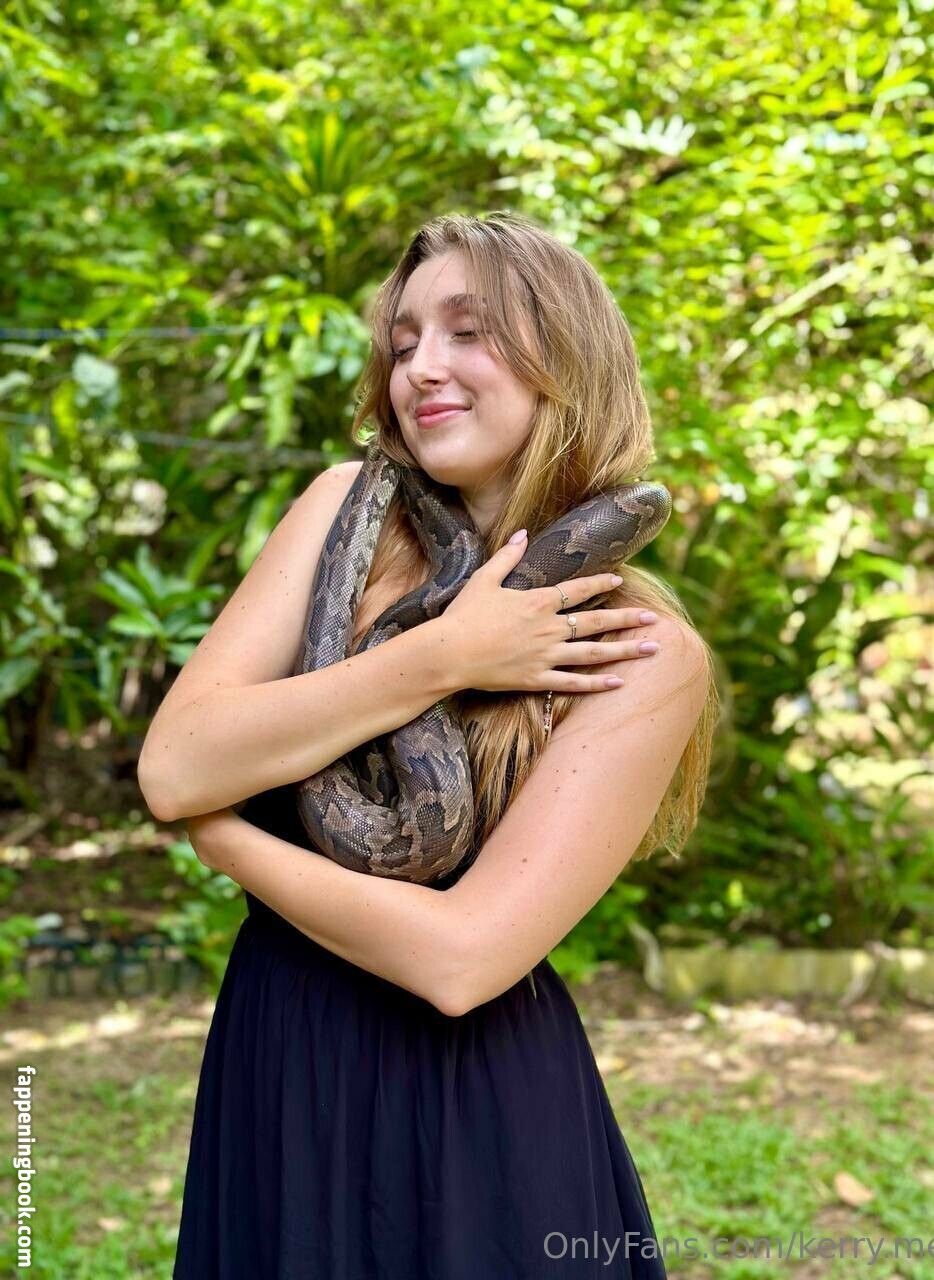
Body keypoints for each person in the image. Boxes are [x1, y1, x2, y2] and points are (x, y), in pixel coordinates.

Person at [139, 210, 719, 1279]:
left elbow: (462, 960)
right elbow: (175, 764)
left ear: (568, 358)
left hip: (471, 1107)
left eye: (467, 330)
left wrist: (230, 844)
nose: (421, 367)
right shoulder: (341, 514)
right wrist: (448, 655)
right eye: (403, 342)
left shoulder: (640, 649)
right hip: (279, 1066)